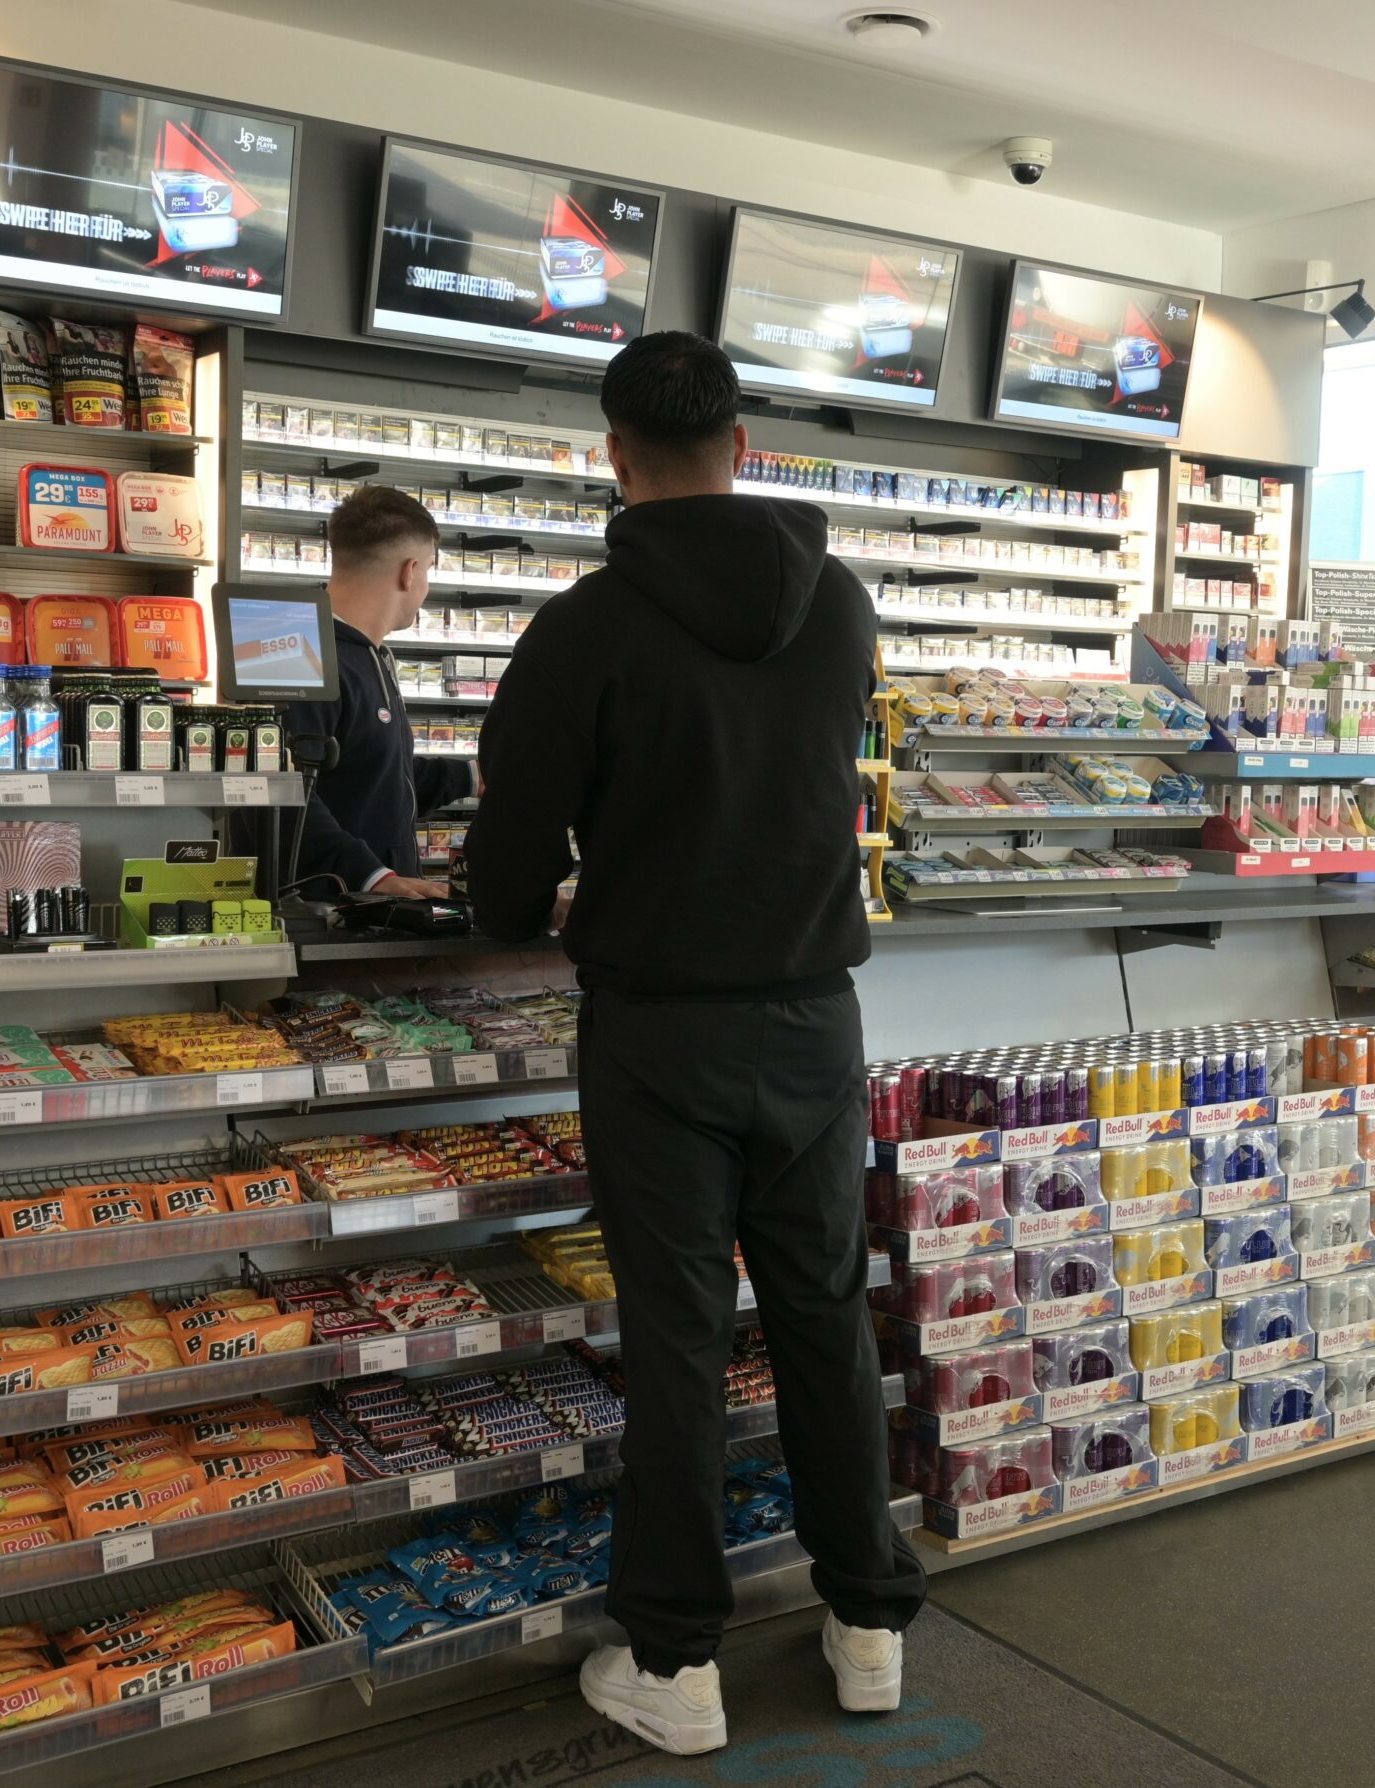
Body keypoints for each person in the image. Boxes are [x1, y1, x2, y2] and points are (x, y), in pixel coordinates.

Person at [463, 331, 924, 1754]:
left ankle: (674, 1663)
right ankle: (868, 1624)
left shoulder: (583, 628)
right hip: (816, 1023)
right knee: (823, 1318)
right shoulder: (839, 602)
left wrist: (523, 900)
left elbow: (508, 860)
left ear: (614, 457)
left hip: (661, 1034)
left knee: (677, 1342)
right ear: (742, 447)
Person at [283, 484, 475, 899]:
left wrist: (472, 777)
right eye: (428, 569)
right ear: (410, 571)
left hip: (378, 911)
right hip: (331, 916)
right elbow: (283, 792)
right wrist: (373, 877)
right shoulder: (301, 656)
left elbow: (373, 777)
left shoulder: (368, 656)